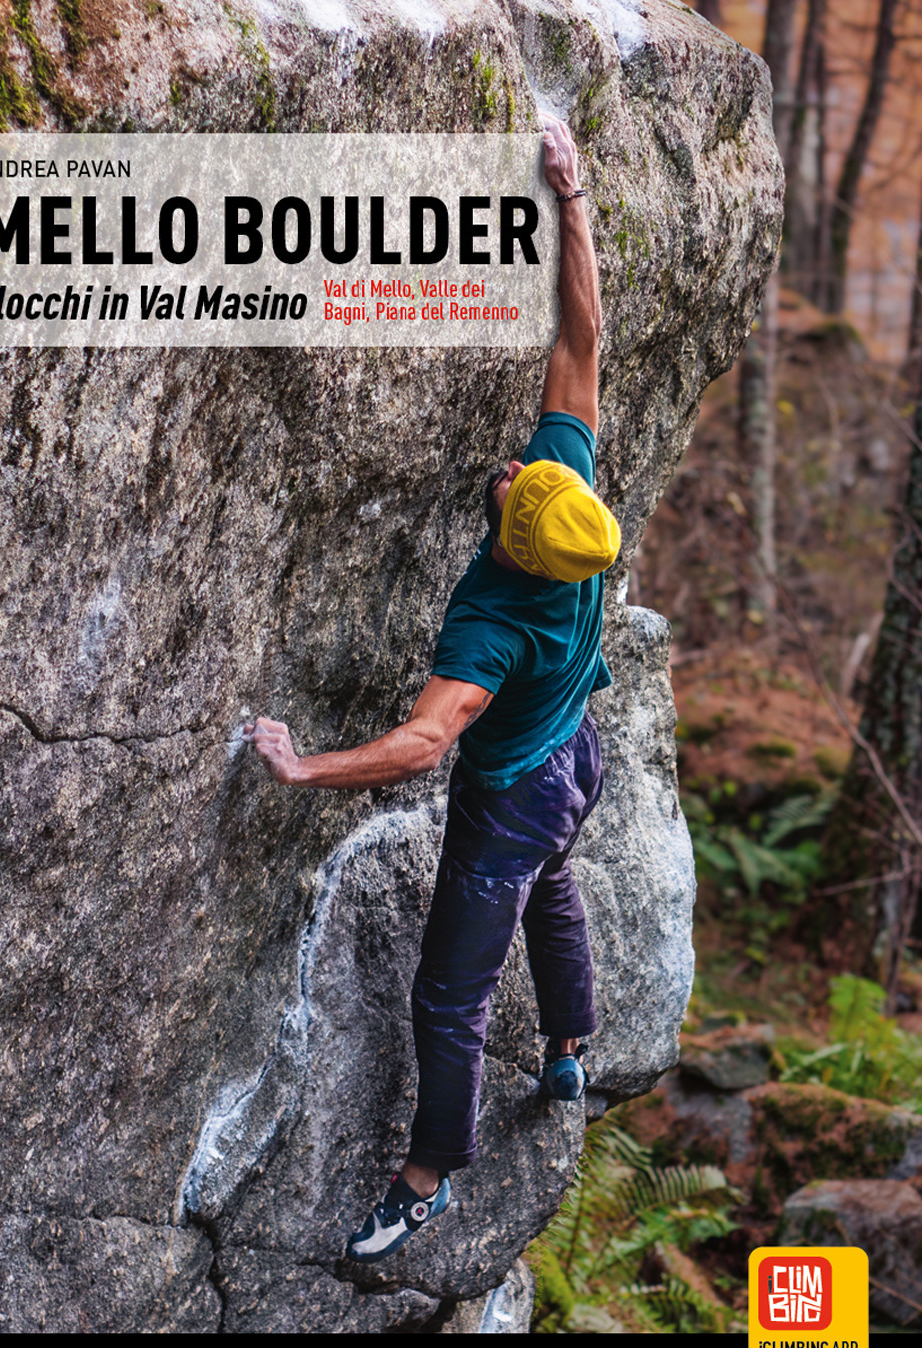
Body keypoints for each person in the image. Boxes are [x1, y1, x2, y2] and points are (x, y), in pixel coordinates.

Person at [244, 114, 620, 1264]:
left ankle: (428, 1174)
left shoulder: (492, 624)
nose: (510, 470)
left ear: (519, 544)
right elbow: (584, 333)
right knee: (556, 883)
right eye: (525, 472)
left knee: (448, 996)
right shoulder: (571, 497)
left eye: (513, 490)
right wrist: (571, 197)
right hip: (578, 753)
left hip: (511, 797)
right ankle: (570, 1047)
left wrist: (302, 766)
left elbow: (422, 745)